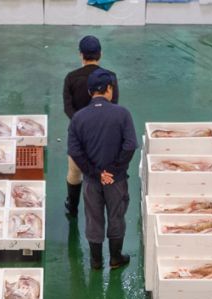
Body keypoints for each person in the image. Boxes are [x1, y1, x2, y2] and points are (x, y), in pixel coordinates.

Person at [68, 69, 137, 270]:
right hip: (116, 180)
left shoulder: (78, 118)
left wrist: (95, 173)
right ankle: (115, 258)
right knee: (116, 215)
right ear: (109, 89)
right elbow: (130, 145)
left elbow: (75, 151)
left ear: (90, 92)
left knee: (93, 217)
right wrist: (113, 171)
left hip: (92, 181)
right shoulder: (122, 114)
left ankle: (96, 261)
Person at [62, 35, 119, 219]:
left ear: (81, 55)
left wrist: (81, 122)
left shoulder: (71, 78)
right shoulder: (110, 77)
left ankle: (73, 207)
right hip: (104, 133)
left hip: (79, 134)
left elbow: (68, 108)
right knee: (105, 171)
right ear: (100, 54)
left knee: (74, 172)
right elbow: (113, 104)